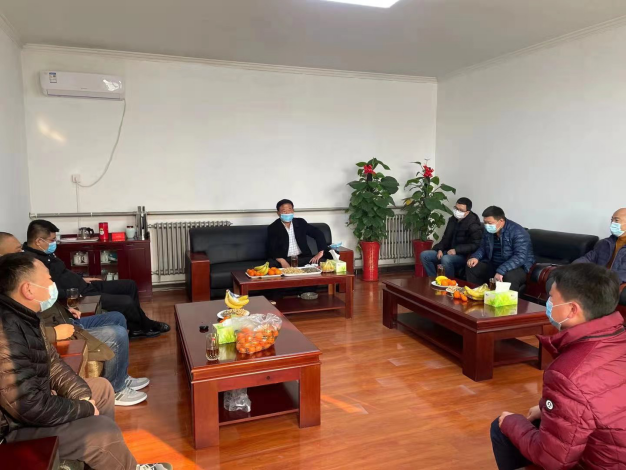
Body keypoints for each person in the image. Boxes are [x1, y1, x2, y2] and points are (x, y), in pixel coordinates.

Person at [0, 253, 172, 470]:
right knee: (102, 432)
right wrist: (83, 408)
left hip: (35, 404)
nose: (53, 285)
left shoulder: (26, 316)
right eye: (48, 279)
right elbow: (29, 406)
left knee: (102, 389)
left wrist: (81, 396)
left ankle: (103, 462)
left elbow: (53, 364)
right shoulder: (6, 333)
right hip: (14, 428)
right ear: (28, 289)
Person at [491, 263, 626, 470]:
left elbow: (552, 460)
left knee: (502, 426)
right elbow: (600, 401)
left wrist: (512, 422)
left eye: (552, 298)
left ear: (572, 309)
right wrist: (545, 408)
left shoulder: (567, 373)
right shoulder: (618, 337)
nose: (548, 303)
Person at [1, 232, 150, 406]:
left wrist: (67, 309)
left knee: (117, 317)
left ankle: (121, 376)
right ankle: (117, 389)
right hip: (59, 330)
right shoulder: (11, 291)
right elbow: (24, 333)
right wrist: (54, 333)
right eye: (18, 250)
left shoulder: (27, 272)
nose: (23, 252)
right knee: (116, 333)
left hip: (65, 318)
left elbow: (45, 303)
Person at [23, 220, 169, 339]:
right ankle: (145, 326)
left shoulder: (45, 254)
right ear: (39, 241)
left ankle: (137, 327)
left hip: (85, 285)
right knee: (126, 301)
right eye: (52, 240)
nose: (54, 243)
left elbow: (64, 273)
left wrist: (83, 278)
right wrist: (72, 293)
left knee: (129, 285)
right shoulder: (32, 263)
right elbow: (48, 292)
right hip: (80, 295)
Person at [466, 207, 535, 292]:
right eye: (485, 222)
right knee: (472, 266)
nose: (486, 225)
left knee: (509, 276)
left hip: (516, 267)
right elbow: (483, 247)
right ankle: (476, 294)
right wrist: (475, 257)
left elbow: (520, 257)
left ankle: (507, 300)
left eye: (489, 223)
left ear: (501, 221)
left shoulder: (518, 232)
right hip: (494, 264)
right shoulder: (489, 231)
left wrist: (501, 270)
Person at [420, 197, 483, 278]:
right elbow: (446, 237)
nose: (457, 211)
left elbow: (476, 244)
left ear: (467, 212)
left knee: (446, 259)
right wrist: (440, 249)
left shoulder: (473, 224)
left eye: (461, 210)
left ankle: (449, 283)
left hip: (463, 256)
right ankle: (434, 279)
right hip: (448, 251)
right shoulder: (452, 219)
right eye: (456, 208)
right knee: (424, 255)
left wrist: (456, 250)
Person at [267, 199, 332, 268]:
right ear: (278, 213)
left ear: (293, 211)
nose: (287, 213)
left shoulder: (300, 223)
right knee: (271, 265)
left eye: (289, 210)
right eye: (284, 211)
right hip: (285, 259)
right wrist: (282, 261)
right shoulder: (273, 227)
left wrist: (321, 251)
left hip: (302, 258)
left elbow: (317, 233)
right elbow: (271, 248)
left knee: (324, 262)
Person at [574, 208, 626, 284]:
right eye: (612, 220)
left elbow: (623, 274)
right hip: (597, 281)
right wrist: (573, 267)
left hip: (610, 284)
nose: (612, 223)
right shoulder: (605, 243)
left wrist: (604, 279)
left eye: (616, 220)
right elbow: (588, 258)